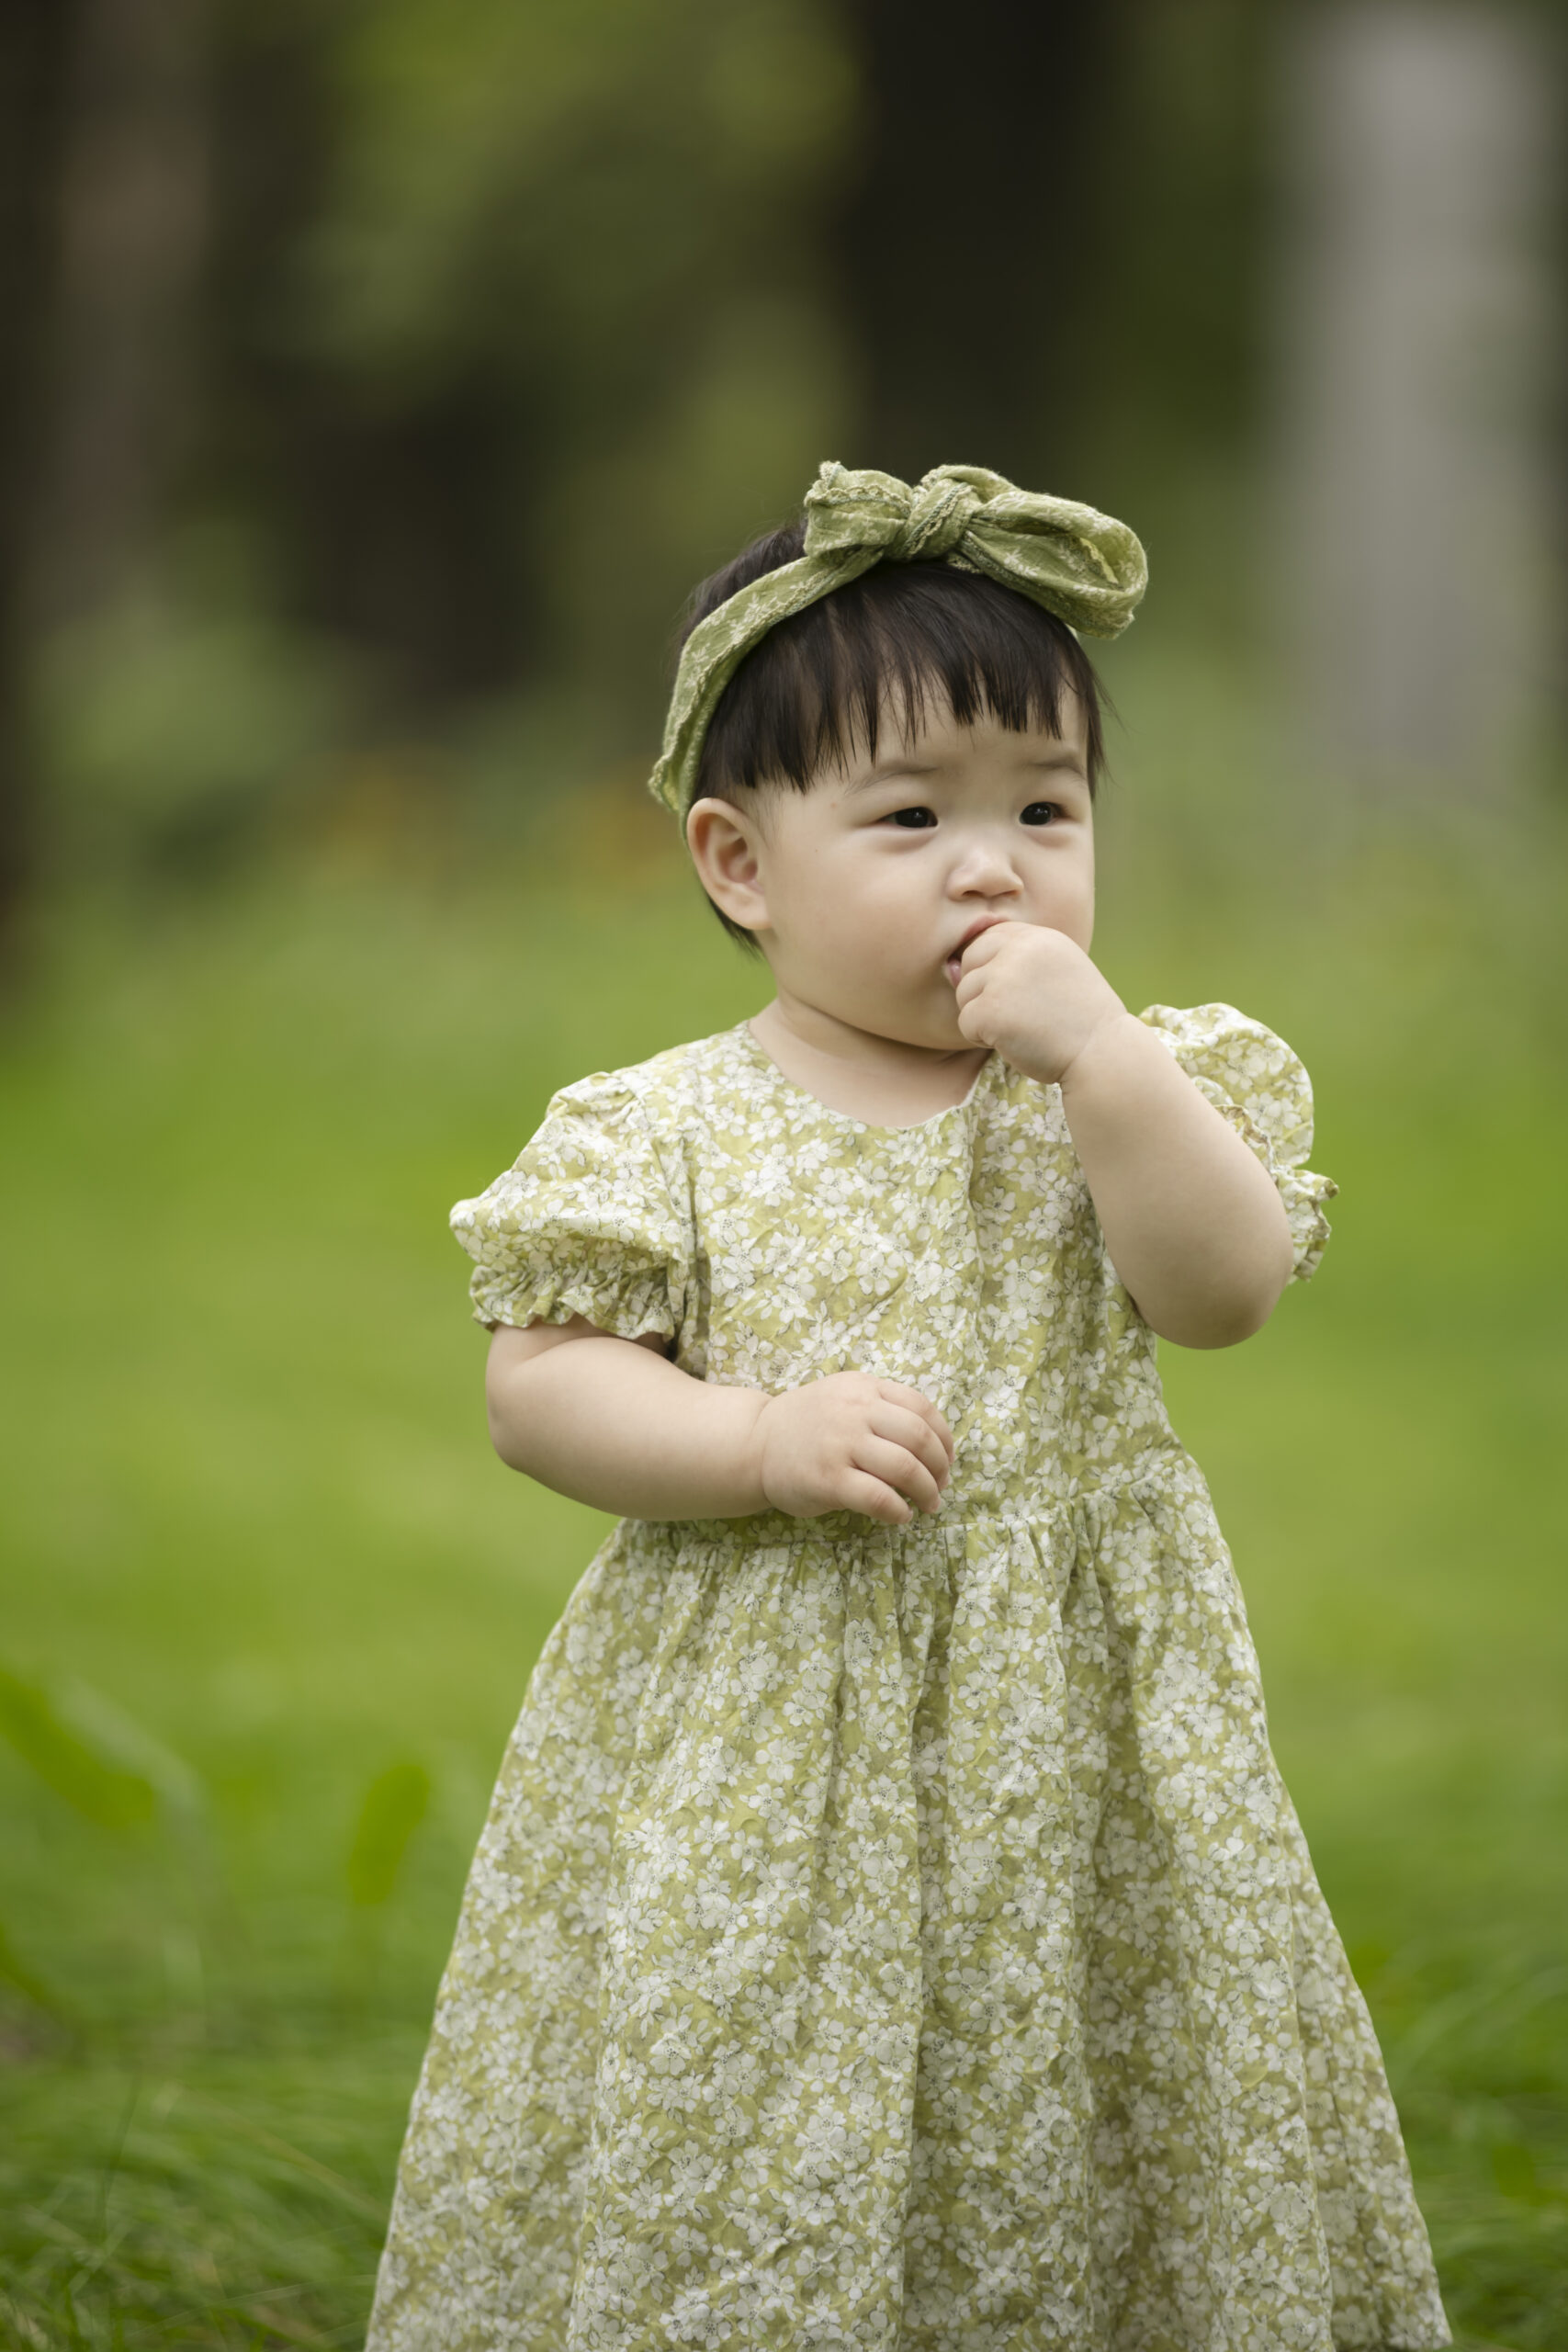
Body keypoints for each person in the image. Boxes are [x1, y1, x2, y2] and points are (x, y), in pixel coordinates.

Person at [366, 464, 1449, 2351]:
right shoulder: (666, 1126)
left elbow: (1221, 1294)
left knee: (1091, 2064)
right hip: (765, 1733)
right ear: (739, 863)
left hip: (1083, 1720)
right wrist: (751, 1440)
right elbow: (538, 1390)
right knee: (756, 2085)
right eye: (910, 815)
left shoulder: (1132, 1086)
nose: (993, 865)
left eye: (1044, 806)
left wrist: (1104, 1062)